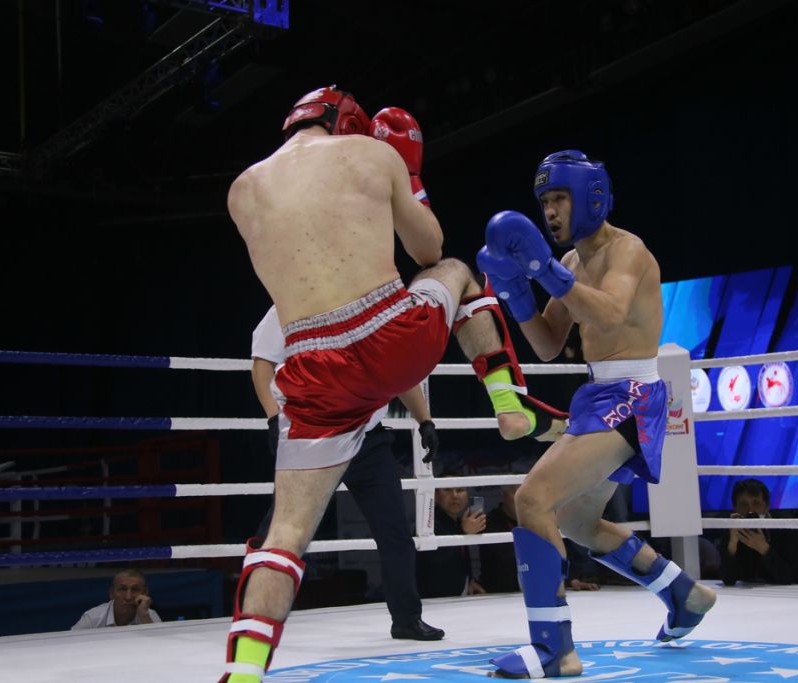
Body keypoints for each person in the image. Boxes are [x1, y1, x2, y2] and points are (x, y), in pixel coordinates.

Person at [221, 86, 566, 682]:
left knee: (284, 537)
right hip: (387, 335)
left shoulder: (242, 189)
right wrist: (408, 175)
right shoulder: (371, 154)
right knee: (455, 269)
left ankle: (244, 673)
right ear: (347, 123)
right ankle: (508, 402)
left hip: (312, 369)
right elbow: (428, 248)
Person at [475, 150, 717, 678]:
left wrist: (542, 270)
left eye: (559, 198)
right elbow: (547, 344)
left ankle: (554, 650)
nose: (550, 212)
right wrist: (517, 293)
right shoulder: (570, 262)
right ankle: (684, 594)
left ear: (591, 197)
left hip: (632, 395)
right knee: (577, 521)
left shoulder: (627, 250)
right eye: (544, 201)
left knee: (532, 499)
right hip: (599, 395)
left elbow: (608, 313)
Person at [250, 305, 443, 641]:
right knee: (278, 531)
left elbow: (397, 369)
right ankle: (254, 614)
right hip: (314, 437)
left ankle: (407, 619)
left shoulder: (375, 305)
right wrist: (272, 417)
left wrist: (424, 420)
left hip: (369, 441)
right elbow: (262, 363)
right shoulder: (291, 301)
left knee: (395, 531)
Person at [479, 484, 600, 593]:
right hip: (502, 592)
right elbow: (504, 562)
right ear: (503, 496)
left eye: (526, 495)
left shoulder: (542, 520)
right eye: (517, 494)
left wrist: (571, 579)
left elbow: (558, 552)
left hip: (539, 589)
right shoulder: (489, 523)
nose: (522, 500)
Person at [718, 478, 798, 586]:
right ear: (735, 508)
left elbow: (790, 577)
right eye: (743, 504)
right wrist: (732, 545)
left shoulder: (787, 526)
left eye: (756, 503)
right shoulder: (732, 529)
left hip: (791, 592)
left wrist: (763, 548)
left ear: (767, 506)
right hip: (748, 593)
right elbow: (728, 580)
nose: (750, 510)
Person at [415, 483, 487, 597]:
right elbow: (438, 562)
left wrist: (469, 581)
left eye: (460, 490)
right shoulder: (428, 524)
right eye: (447, 489)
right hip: (434, 599)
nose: (454, 496)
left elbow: (458, 561)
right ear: (436, 495)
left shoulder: (459, 522)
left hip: (458, 596)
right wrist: (464, 533)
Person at [71, 569, 161, 629]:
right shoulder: (92, 618)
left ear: (145, 593)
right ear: (112, 593)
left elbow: (159, 647)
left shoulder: (149, 616)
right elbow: (70, 645)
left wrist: (144, 616)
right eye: (122, 589)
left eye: (135, 589)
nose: (128, 597)